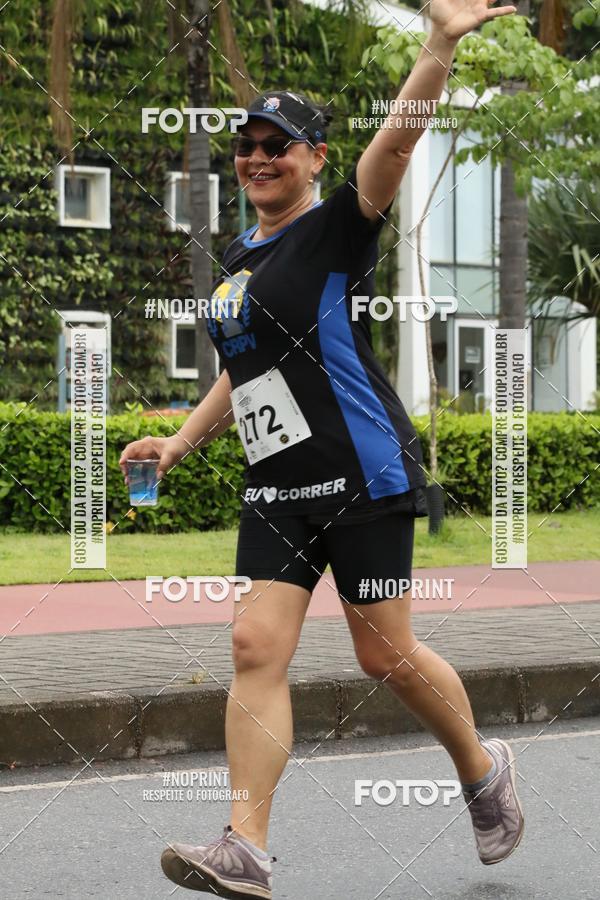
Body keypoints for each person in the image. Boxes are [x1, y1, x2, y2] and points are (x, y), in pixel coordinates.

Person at [120, 2, 522, 896]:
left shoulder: (338, 226)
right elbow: (247, 372)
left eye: (280, 143)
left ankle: (482, 768)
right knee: (254, 645)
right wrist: (182, 441)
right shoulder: (238, 257)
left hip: (363, 470)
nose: (259, 157)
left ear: (312, 159)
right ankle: (245, 848)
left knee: (385, 655)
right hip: (278, 486)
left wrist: (437, 46)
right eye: (247, 144)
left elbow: (397, 145)